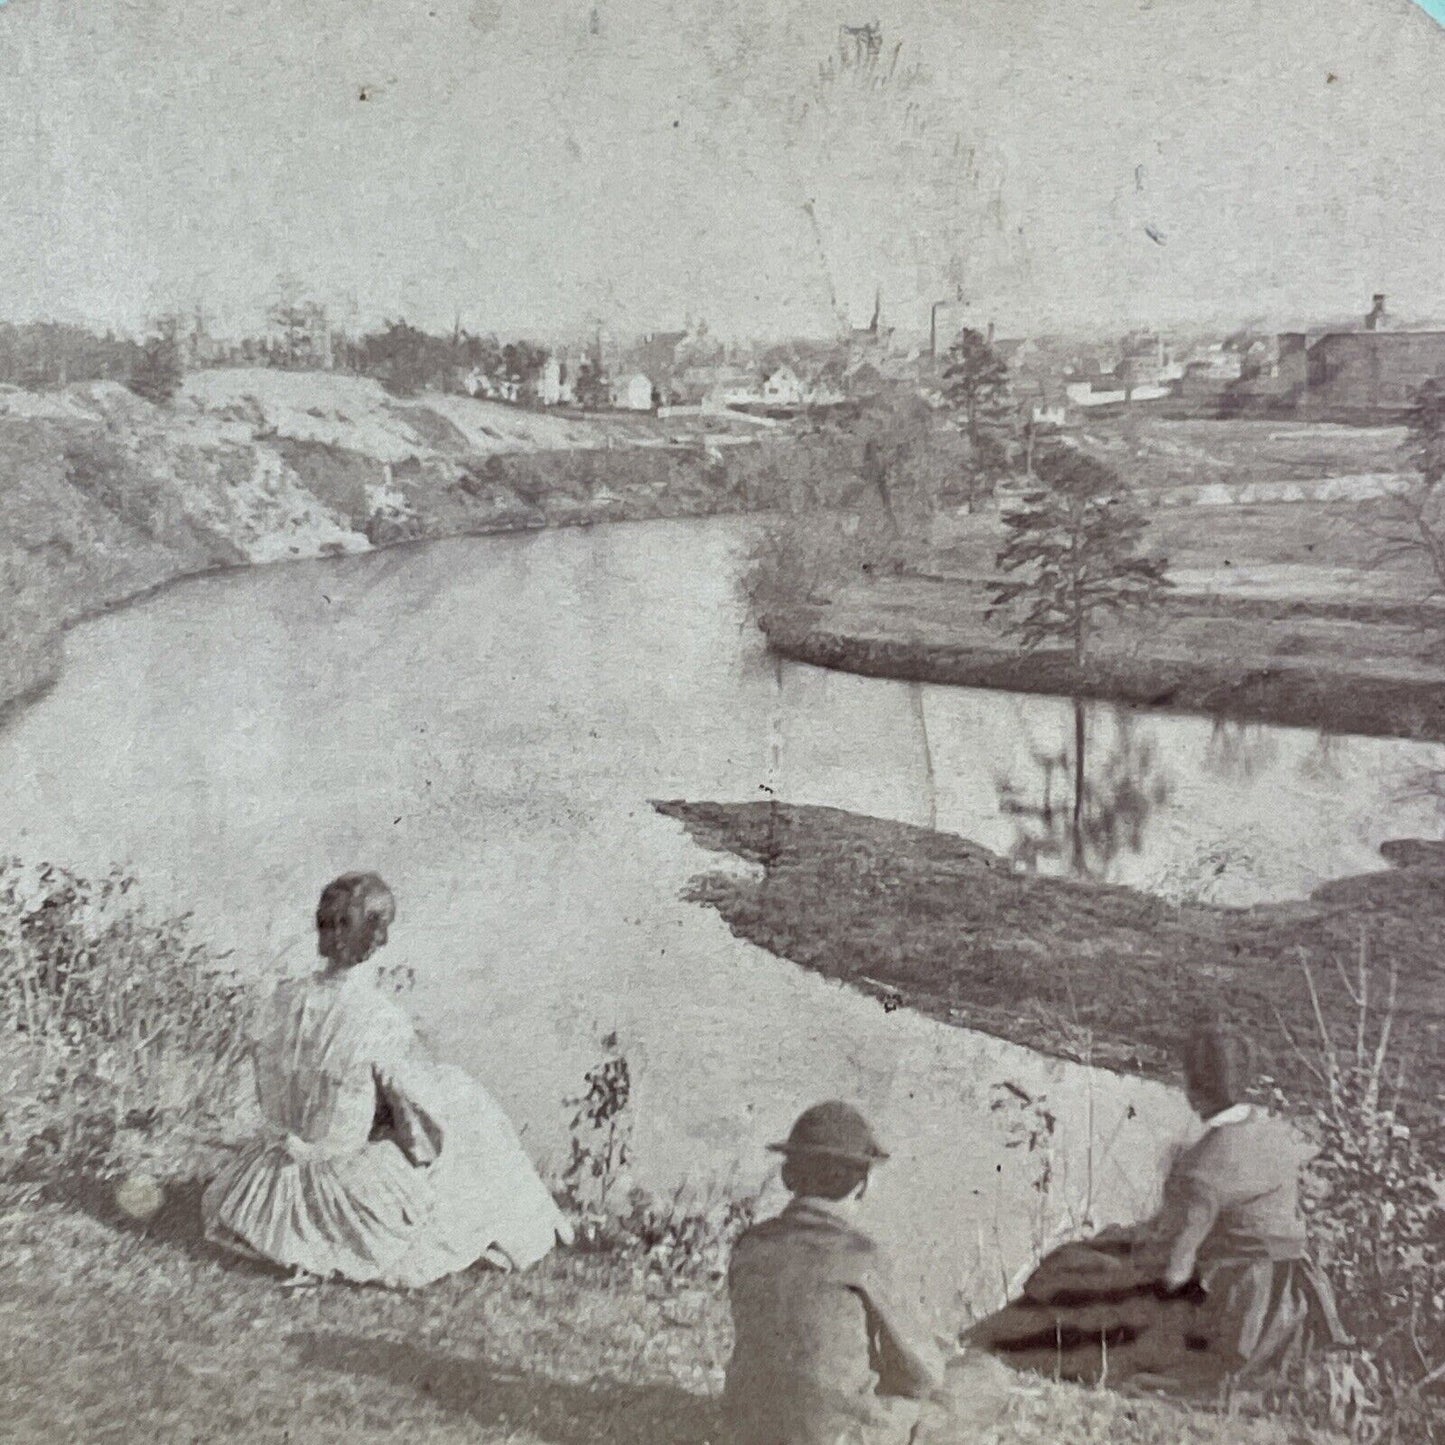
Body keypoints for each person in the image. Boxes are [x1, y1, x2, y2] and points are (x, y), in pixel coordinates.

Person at [202, 872, 571, 1288]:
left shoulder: (280, 998)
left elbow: (270, 1089)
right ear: (376, 938)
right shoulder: (377, 1016)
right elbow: (419, 1136)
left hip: (266, 1181)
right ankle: (534, 1227)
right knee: (467, 1112)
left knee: (447, 1096)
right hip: (336, 1187)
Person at [966, 1024, 1346, 1393]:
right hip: (1287, 1309)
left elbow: (1174, 1273)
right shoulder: (1273, 1134)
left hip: (1234, 1317)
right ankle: (986, 1340)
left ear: (1195, 1090)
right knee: (1100, 1255)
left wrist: (1123, 1256)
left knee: (1073, 1267)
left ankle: (983, 1344)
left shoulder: (1203, 1168)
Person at [722, 1101, 943, 1445]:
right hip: (837, 1437)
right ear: (862, 1185)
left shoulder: (749, 1243)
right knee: (975, 1383)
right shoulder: (862, 1255)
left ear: (787, 1176)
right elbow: (924, 1374)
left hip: (747, 1429)